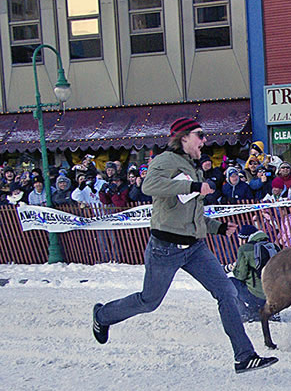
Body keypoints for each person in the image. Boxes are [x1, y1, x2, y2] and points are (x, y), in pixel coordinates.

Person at [91, 117, 277, 374]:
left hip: (195, 249)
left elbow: (191, 213)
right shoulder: (165, 161)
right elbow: (149, 186)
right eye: (199, 135)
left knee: (227, 291)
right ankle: (102, 316)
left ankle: (244, 356)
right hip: (164, 248)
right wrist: (192, 185)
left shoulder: (193, 167)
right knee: (149, 301)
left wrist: (218, 227)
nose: (204, 140)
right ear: (183, 138)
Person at [224, 224, 277, 323]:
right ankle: (268, 310)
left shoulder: (245, 249)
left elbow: (241, 275)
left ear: (244, 238)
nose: (239, 242)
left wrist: (234, 268)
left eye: (239, 239)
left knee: (229, 282)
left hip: (258, 295)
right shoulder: (273, 246)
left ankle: (245, 313)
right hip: (275, 296)